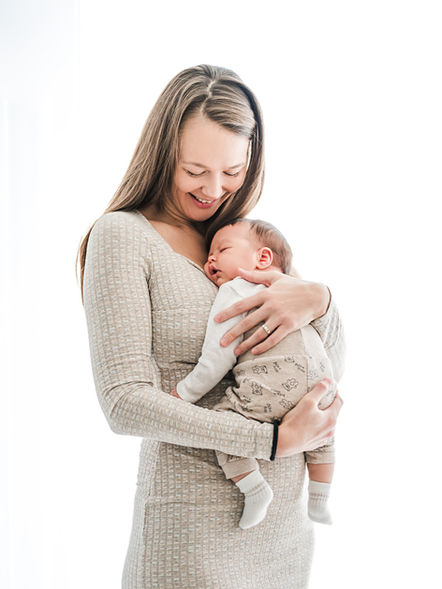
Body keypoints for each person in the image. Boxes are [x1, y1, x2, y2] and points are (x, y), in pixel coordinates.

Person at [77, 64, 345, 589]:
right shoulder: (122, 237)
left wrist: (321, 300)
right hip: (190, 537)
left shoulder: (239, 242)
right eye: (194, 169)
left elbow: (325, 367)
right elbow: (123, 402)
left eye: (232, 170)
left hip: (285, 537)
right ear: (163, 154)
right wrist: (269, 440)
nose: (214, 188)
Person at [170, 217, 341, 531]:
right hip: (323, 384)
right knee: (322, 435)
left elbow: (219, 353)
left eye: (222, 250)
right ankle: (319, 499)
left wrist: (185, 392)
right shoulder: (297, 289)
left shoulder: (236, 289)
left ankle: (254, 489)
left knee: (225, 425)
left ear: (262, 258)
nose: (211, 259)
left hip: (273, 386)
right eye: (209, 254)